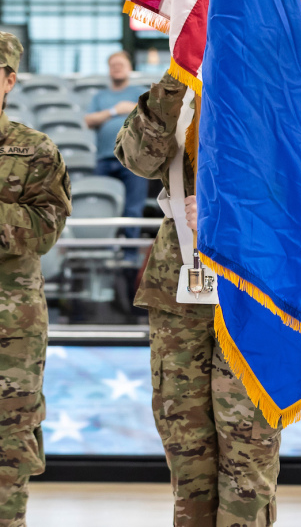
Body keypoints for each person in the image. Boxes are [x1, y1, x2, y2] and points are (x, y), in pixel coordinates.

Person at [116, 72, 281, 526]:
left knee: (248, 453)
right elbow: (137, 159)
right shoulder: (174, 96)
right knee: (186, 452)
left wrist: (227, 209)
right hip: (179, 288)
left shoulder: (273, 92)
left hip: (252, 287)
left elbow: (299, 188)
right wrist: (170, 89)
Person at [0, 32, 71, 527]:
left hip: (11, 323)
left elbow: (46, 227)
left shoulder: (34, 150)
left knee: (9, 438)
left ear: (9, 79)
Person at [84, 51, 146, 236]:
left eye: (121, 65)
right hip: (104, 159)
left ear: (130, 68)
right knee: (102, 207)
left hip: (133, 159)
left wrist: (133, 109)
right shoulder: (100, 96)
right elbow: (88, 120)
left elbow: (153, 117)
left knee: (133, 208)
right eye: (113, 65)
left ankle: (130, 254)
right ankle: (102, 251)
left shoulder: (139, 92)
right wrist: (115, 110)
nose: (117, 68)